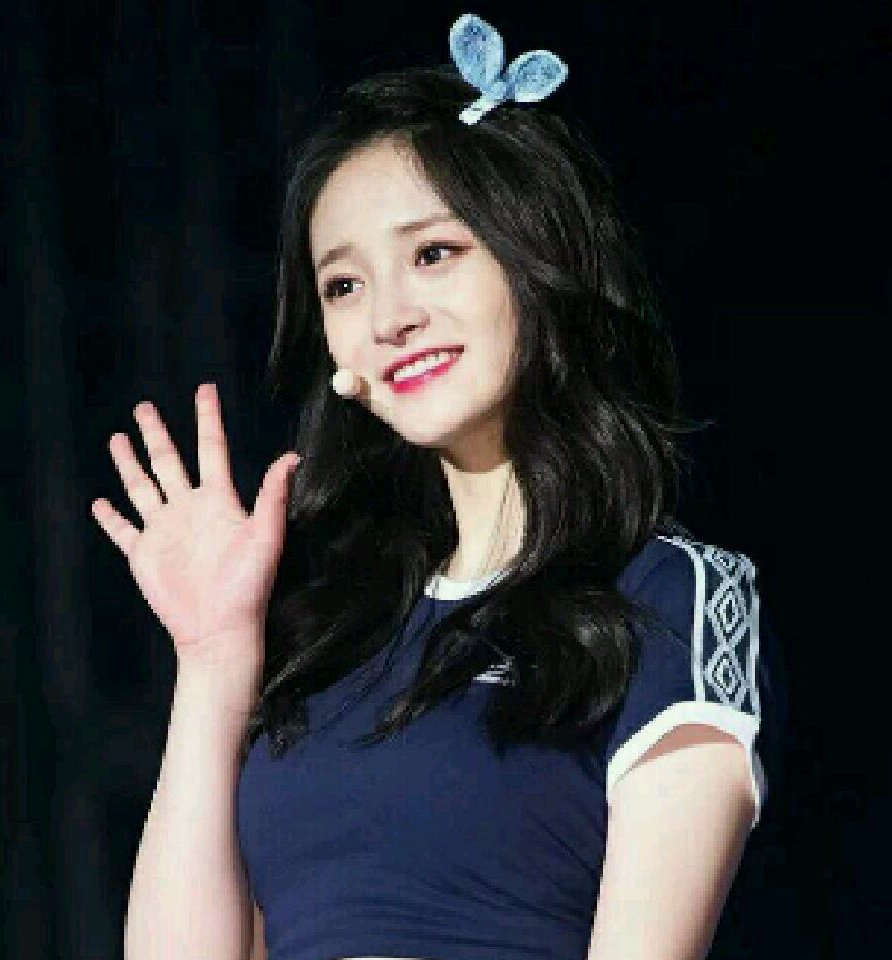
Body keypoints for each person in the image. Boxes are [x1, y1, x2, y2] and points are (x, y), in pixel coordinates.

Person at [96, 14, 783, 960]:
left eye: (432, 254)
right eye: (343, 286)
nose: (390, 318)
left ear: (538, 262)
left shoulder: (669, 599)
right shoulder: (322, 633)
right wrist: (214, 656)